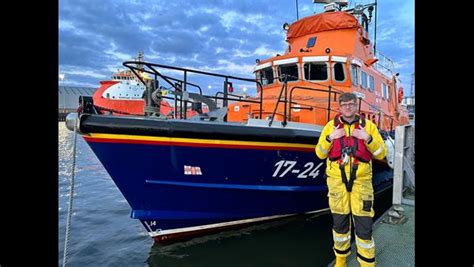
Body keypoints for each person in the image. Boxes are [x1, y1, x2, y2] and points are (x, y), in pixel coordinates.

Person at [315, 92, 387, 267]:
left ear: (357, 106)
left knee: (363, 224)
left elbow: (382, 153)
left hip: (361, 183)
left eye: (351, 104)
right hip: (337, 183)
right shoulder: (329, 127)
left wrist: (367, 139)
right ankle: (341, 259)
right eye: (344, 104)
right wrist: (329, 138)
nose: (348, 107)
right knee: (339, 223)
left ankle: (367, 263)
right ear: (339, 107)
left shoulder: (368, 127)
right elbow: (320, 153)